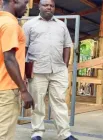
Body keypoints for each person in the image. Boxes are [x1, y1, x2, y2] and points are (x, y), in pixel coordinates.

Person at [22, 0, 77, 140]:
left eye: (51, 6)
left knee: (59, 102)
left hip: (58, 70)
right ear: (39, 7)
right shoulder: (29, 25)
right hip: (37, 70)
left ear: (54, 8)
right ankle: (37, 132)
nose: (49, 7)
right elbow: (24, 48)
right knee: (37, 102)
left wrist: (64, 65)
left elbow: (67, 46)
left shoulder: (61, 25)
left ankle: (64, 133)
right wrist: (23, 69)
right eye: (46, 5)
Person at [0, 0, 34, 139]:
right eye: (24, 3)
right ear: (14, 2)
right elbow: (9, 58)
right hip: (6, 87)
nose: (26, 8)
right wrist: (24, 90)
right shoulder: (10, 25)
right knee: (4, 133)